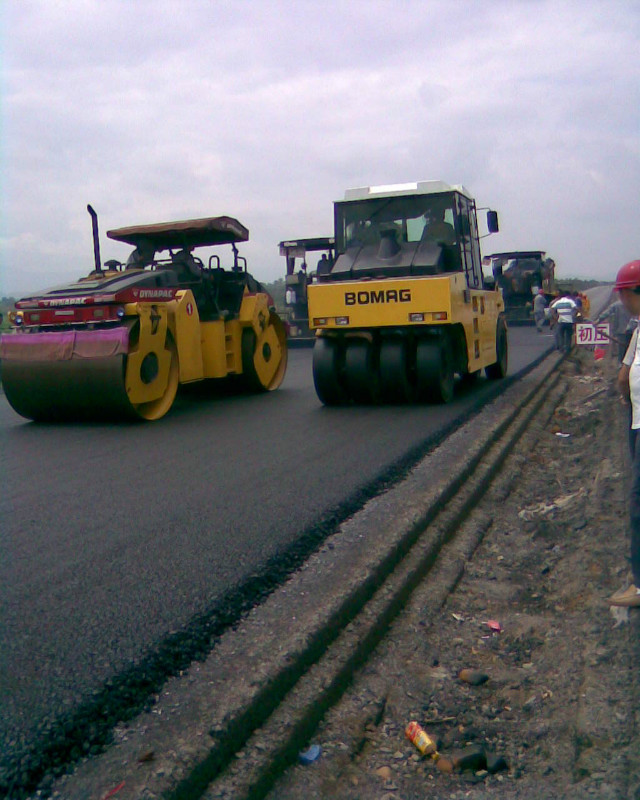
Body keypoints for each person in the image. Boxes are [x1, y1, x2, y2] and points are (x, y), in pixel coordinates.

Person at [609, 259, 640, 607]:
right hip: (636, 422)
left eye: (623, 295)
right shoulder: (637, 329)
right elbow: (622, 376)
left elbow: (622, 378)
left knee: (638, 503)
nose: (621, 302)